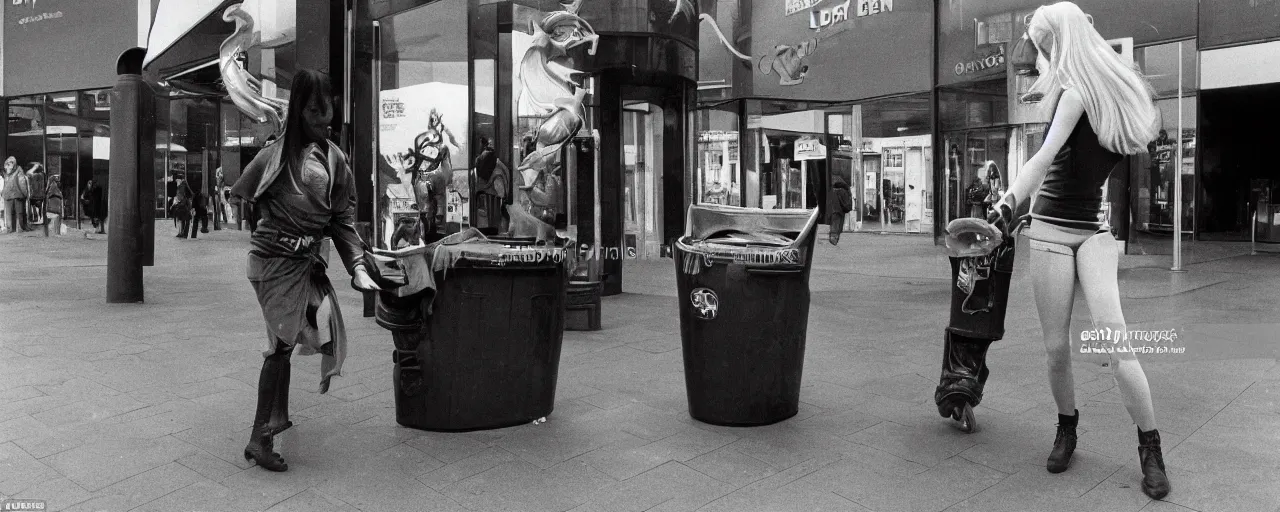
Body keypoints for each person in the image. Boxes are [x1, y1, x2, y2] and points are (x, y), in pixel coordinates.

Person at [990, 2, 1169, 499]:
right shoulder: (1100, 92)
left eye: (1044, 47)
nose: (1042, 55)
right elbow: (1044, 161)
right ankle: (1067, 427)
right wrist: (1009, 206)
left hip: (1090, 231)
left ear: (1057, 43)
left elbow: (1044, 157)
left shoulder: (1089, 94)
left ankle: (1149, 446)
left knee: (1118, 348)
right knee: (1055, 350)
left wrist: (1006, 205)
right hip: (1049, 227)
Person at [230, 69, 379, 472]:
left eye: (327, 109)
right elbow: (246, 196)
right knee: (280, 345)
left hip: (305, 266)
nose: (323, 118)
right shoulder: (273, 155)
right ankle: (259, 438)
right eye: (315, 110)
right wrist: (276, 225)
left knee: (309, 332)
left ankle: (276, 418)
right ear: (298, 109)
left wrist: (358, 267)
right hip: (272, 264)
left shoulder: (335, 159)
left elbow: (342, 221)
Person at [3, 157, 31, 233]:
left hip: (11, 195)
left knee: (11, 213)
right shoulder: (17, 171)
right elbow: (22, 184)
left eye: (10, 164)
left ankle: (11, 229)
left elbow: (5, 185)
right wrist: (25, 194)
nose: (8, 166)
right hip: (15, 195)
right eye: (8, 164)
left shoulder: (9, 172)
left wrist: (3, 194)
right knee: (19, 213)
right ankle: (18, 228)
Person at [828, 176, 853, 245]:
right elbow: (846, 204)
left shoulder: (831, 190)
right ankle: (834, 239)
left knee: (834, 225)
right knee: (837, 226)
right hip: (839, 211)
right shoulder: (843, 191)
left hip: (832, 210)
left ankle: (833, 238)